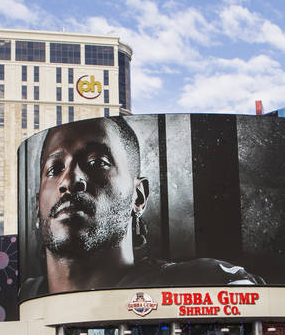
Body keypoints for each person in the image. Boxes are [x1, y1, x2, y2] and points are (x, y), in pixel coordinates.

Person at [21, 116, 262, 297]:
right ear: (36, 207)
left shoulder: (206, 281)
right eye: (54, 169)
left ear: (138, 196)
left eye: (97, 163)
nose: (69, 181)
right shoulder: (24, 297)